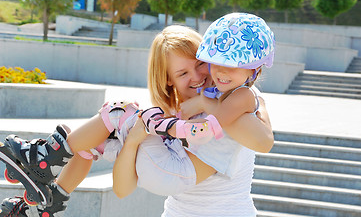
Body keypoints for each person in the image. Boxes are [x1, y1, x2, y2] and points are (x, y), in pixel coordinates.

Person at [0, 18, 273, 217]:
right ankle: (53, 196)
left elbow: (263, 141)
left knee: (120, 112)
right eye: (182, 73)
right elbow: (122, 190)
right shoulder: (173, 115)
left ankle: (47, 156)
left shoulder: (231, 97)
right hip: (176, 209)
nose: (199, 76)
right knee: (102, 137)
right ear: (167, 80)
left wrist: (205, 102)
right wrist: (132, 142)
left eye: (200, 64)